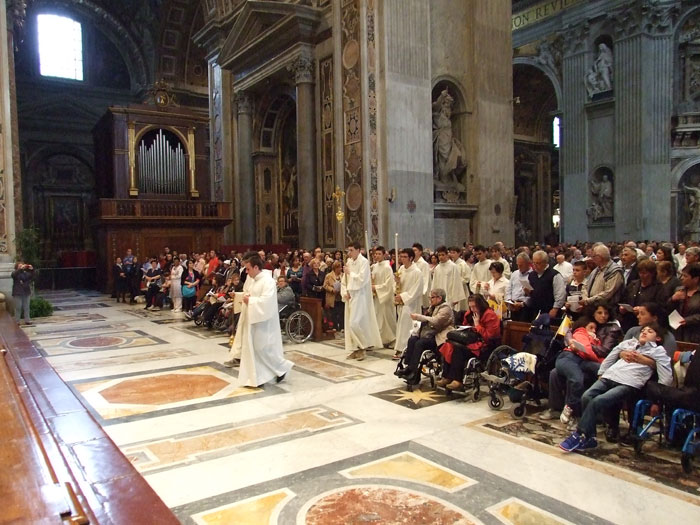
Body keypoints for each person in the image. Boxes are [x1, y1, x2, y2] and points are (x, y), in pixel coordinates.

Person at [559, 323, 672, 453]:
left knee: (598, 401)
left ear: (657, 338)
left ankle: (580, 434)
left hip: (628, 383)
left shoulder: (658, 352)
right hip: (610, 376)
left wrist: (657, 400)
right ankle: (590, 438)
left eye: (650, 331)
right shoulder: (629, 343)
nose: (644, 332)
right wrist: (602, 372)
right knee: (586, 396)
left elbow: (666, 378)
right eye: (643, 330)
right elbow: (611, 356)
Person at [542, 303, 622, 429]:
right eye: (600, 313)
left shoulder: (612, 328)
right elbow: (570, 332)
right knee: (555, 373)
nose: (603, 316)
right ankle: (556, 408)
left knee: (578, 377)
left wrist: (586, 345)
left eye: (606, 313)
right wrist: (571, 341)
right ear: (593, 313)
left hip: (596, 359)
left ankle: (576, 413)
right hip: (579, 357)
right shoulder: (586, 321)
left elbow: (604, 350)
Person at [224, 252, 293, 386]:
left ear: (256, 267)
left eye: (248, 269)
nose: (247, 272)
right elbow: (250, 295)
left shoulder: (268, 281)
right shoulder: (254, 281)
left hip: (263, 322)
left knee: (263, 349)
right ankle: (258, 378)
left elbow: (266, 301)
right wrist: (243, 297)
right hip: (253, 320)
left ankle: (282, 368)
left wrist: (250, 300)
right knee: (254, 350)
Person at [440, 294, 501, 390]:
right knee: (449, 345)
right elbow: (465, 326)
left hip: (485, 345)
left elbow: (490, 336)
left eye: (474, 307)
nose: (472, 309)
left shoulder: (490, 315)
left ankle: (457, 380)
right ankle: (447, 377)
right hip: (470, 340)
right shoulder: (469, 313)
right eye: (470, 306)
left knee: (458, 349)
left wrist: (477, 326)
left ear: (480, 305)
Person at [397, 288, 454, 386]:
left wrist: (420, 317)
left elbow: (436, 321)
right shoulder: (433, 307)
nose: (430, 300)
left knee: (420, 343)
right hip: (429, 334)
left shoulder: (446, 308)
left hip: (439, 337)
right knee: (412, 339)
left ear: (439, 298)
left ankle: (414, 371)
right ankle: (408, 367)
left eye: (432, 297)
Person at [342, 242, 383, 360]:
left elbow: (362, 280)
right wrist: (346, 291)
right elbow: (345, 280)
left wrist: (350, 273)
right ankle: (356, 349)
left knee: (355, 322)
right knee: (350, 324)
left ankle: (363, 346)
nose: (349, 253)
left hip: (360, 295)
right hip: (351, 295)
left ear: (358, 250)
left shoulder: (364, 262)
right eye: (348, 250)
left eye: (351, 250)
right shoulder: (349, 262)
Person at [393, 248, 424, 360]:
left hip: (411, 303)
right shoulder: (401, 269)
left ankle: (407, 349)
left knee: (409, 326)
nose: (402, 259)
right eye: (401, 256)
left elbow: (417, 290)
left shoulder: (417, 272)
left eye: (405, 257)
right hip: (402, 302)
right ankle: (400, 348)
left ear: (411, 258)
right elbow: (397, 285)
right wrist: (396, 282)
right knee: (401, 325)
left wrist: (403, 296)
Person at [371, 246, 396, 348]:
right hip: (377, 297)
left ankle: (392, 339)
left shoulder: (387, 267)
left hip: (385, 297)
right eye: (375, 254)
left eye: (379, 254)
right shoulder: (374, 266)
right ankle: (381, 339)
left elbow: (388, 284)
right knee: (378, 318)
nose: (376, 256)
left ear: (384, 255)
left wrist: (376, 287)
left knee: (387, 318)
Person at [671, 262, 700, 343]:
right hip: (677, 332)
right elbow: (668, 309)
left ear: (696, 279)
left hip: (695, 333)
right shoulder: (679, 290)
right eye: (681, 275)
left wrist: (688, 320)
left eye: (685, 276)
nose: (681, 278)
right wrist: (672, 299)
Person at [431, 246, 466, 310]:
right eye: (439, 255)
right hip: (439, 298)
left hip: (450, 296)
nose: (441, 257)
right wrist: (433, 296)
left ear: (447, 255)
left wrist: (455, 298)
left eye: (443, 255)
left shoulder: (453, 266)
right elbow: (434, 283)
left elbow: (456, 282)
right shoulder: (437, 268)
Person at [505, 252, 532, 322]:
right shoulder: (514, 274)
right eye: (518, 265)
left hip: (525, 307)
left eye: (521, 265)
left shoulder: (533, 275)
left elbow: (534, 295)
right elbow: (508, 289)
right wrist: (509, 301)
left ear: (528, 264)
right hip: (513, 304)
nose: (519, 267)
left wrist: (522, 304)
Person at [323, 260, 344, 332]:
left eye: (340, 267)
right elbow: (325, 285)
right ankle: (334, 326)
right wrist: (332, 289)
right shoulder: (328, 276)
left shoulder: (343, 275)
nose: (340, 269)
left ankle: (342, 326)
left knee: (341, 312)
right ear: (335, 268)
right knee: (333, 312)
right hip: (332, 296)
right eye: (338, 267)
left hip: (340, 296)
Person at [12, 261, 34, 325]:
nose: (22, 267)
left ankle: (27, 320)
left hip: (26, 292)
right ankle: (17, 321)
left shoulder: (25, 273)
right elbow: (14, 275)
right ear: (17, 267)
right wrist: (20, 269)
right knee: (18, 307)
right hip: (17, 293)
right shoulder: (15, 273)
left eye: (22, 265)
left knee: (26, 307)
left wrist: (32, 269)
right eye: (19, 266)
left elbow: (31, 276)